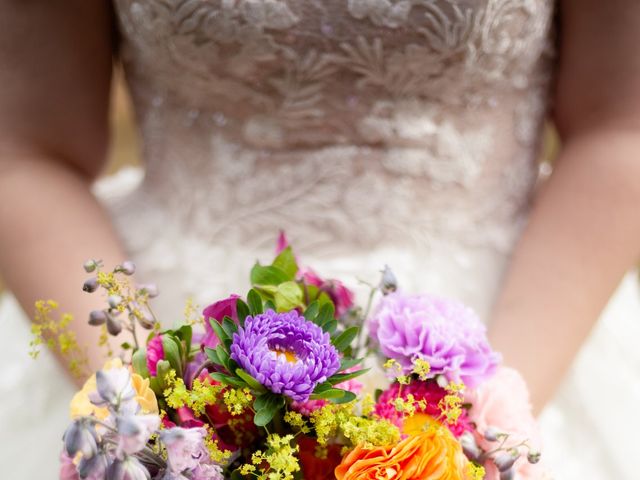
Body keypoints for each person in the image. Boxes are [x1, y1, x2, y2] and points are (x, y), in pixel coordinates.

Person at [1, 0, 639, 478]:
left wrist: (479, 438)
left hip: (522, 321)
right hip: (151, 327)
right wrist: (153, 429)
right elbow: (24, 150)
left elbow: (620, 126)